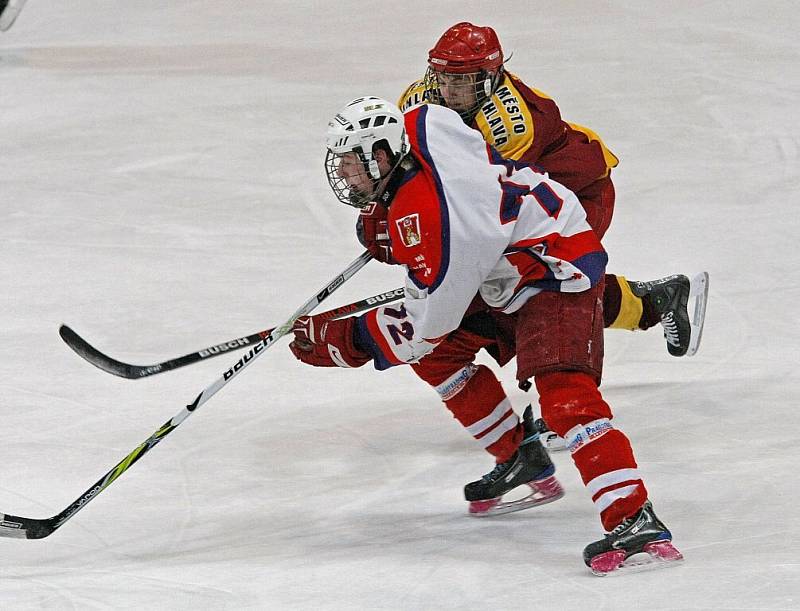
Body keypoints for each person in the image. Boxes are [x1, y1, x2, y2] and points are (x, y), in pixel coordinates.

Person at [290, 96, 683, 574]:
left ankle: (633, 517)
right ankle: (523, 458)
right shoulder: (418, 128)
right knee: (439, 360)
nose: (347, 177)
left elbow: (426, 327)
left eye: (354, 165)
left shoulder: (437, 226)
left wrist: (347, 340)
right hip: (501, 262)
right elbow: (438, 120)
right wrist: (388, 212)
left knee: (563, 396)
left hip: (554, 266)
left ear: (383, 156)